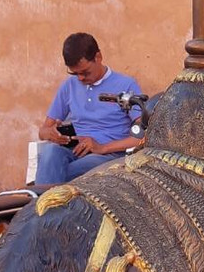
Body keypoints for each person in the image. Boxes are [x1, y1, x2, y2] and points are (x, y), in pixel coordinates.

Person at [36, 33, 143, 184]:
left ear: (98, 57)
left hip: (110, 155)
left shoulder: (126, 85)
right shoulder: (69, 86)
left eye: (85, 72)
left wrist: (102, 147)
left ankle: (37, 200)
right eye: (75, 73)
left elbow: (142, 138)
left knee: (60, 174)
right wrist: (51, 134)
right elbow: (43, 131)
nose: (80, 78)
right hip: (77, 151)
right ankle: (44, 200)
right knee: (50, 152)